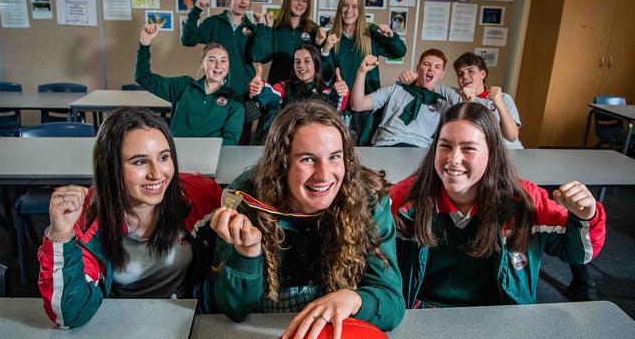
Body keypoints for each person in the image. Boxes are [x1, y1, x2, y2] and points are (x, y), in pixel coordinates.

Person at [210, 101, 404, 338]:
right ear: (281, 164)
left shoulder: (368, 200)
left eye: (334, 156)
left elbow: (392, 301)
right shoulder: (244, 200)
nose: (324, 175)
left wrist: (354, 299)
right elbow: (233, 309)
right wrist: (247, 254)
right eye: (307, 159)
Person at [389, 102, 606, 309]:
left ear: (492, 153)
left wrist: (586, 215)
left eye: (468, 149)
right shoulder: (405, 198)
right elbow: (362, 242)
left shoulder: (525, 201)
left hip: (499, 314)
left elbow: (579, 253)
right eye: (445, 145)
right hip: (422, 312)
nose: (453, 158)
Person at [38, 107, 222, 328]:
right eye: (139, 162)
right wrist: (61, 235)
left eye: (164, 157)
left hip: (188, 321)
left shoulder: (201, 195)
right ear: (110, 167)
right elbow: (70, 315)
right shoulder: (83, 219)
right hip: (119, 325)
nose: (157, 173)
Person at [135, 24, 244, 145]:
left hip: (209, 157)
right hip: (176, 152)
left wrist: (205, 153)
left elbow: (230, 140)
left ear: (228, 65)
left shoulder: (234, 100)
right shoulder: (182, 86)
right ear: (202, 63)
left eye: (223, 60)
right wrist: (145, 44)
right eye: (212, 60)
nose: (218, 66)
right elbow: (143, 77)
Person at [323, 0, 407, 143]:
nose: (349, 11)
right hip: (340, 106)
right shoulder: (331, 37)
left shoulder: (371, 34)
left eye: (355, 7)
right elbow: (326, 74)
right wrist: (325, 50)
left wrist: (391, 36)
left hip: (368, 106)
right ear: (339, 8)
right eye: (345, 6)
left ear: (361, 10)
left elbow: (399, 52)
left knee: (366, 151)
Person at [181, 0, 269, 103]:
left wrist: (260, 27)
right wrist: (196, 12)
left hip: (243, 93)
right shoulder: (213, 23)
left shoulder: (252, 29)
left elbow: (258, 56)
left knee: (241, 123)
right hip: (216, 90)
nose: (243, 1)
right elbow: (188, 40)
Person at [350, 49, 460, 147]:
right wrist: (361, 72)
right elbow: (357, 105)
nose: (431, 69)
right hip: (387, 145)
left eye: (437, 67)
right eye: (426, 64)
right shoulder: (395, 89)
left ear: (441, 74)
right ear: (418, 68)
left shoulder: (443, 104)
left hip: (420, 150)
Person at [248, 44, 349, 136]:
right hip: (287, 143)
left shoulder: (324, 91)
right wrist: (260, 89)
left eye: (307, 61)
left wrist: (341, 92)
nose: (301, 65)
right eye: (297, 61)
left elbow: (336, 103)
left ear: (316, 64)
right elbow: (272, 95)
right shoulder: (284, 87)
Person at [255, 0, 326, 85]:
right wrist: (266, 30)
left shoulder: (313, 29)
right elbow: (264, 58)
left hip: (304, 89)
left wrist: (318, 45)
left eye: (304, 1)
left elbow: (317, 64)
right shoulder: (274, 26)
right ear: (287, 1)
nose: (300, 3)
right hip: (278, 85)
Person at [453, 52, 523, 149]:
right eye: (460, 74)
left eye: (471, 71)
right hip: (480, 152)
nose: (465, 76)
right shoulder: (457, 99)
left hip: (509, 150)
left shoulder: (503, 98)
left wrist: (499, 104)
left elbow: (512, 137)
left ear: (482, 74)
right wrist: (468, 103)